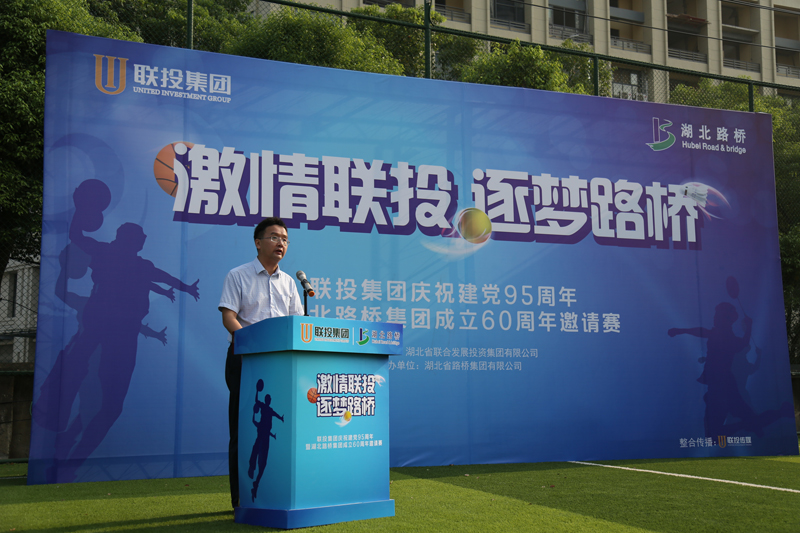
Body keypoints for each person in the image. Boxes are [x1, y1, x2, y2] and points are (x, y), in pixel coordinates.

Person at [218, 217, 304, 509]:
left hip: (281, 364)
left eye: (285, 239)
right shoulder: (238, 275)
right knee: (243, 430)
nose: (281, 243)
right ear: (258, 242)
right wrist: (251, 343)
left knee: (284, 432)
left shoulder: (289, 282)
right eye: (274, 237)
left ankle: (275, 496)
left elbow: (296, 324)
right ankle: (241, 499)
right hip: (246, 360)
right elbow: (229, 316)